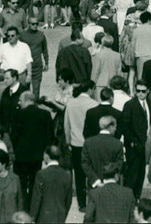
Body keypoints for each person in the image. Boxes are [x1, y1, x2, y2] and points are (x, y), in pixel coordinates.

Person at [11, 92, 55, 211]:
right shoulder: (45, 114)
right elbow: (49, 136)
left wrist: (16, 149)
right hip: (37, 156)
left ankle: (22, 209)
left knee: (21, 185)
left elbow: (14, 135)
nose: (19, 103)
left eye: (20, 100)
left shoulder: (19, 114)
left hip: (21, 156)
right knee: (34, 184)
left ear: (27, 100)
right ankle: (32, 209)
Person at [64, 80, 98, 211]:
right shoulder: (93, 104)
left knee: (78, 174)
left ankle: (81, 203)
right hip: (90, 143)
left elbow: (67, 125)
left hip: (75, 142)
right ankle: (91, 201)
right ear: (90, 89)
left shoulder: (71, 103)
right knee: (91, 173)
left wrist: (68, 140)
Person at [122, 80, 151, 199]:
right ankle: (128, 199)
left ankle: (137, 198)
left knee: (141, 174)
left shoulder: (150, 103)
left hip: (146, 144)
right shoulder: (129, 105)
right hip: (134, 146)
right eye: (138, 91)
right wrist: (133, 142)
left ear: (148, 91)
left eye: (143, 91)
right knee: (132, 175)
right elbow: (125, 126)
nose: (140, 93)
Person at [30, 146, 72, 224]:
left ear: (46, 156)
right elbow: (68, 200)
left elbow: (37, 199)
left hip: (43, 218)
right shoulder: (66, 175)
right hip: (60, 217)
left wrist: (32, 218)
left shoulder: (41, 174)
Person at [82, 115, 125, 191]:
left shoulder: (88, 143)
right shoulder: (118, 144)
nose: (115, 129)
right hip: (112, 186)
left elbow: (85, 164)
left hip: (94, 187)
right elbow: (119, 164)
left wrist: (96, 181)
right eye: (115, 126)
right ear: (110, 126)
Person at [21, 18, 49, 98]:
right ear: (28, 24)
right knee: (25, 90)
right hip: (25, 67)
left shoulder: (41, 35)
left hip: (37, 66)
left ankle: (35, 106)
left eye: (37, 24)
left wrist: (46, 63)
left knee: (36, 91)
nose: (35, 26)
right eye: (33, 24)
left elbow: (45, 49)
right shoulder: (22, 35)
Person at [91, 36, 122, 100]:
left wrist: (92, 83)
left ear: (102, 43)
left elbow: (95, 71)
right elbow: (119, 71)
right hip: (113, 83)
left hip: (101, 82)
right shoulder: (117, 55)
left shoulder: (99, 55)